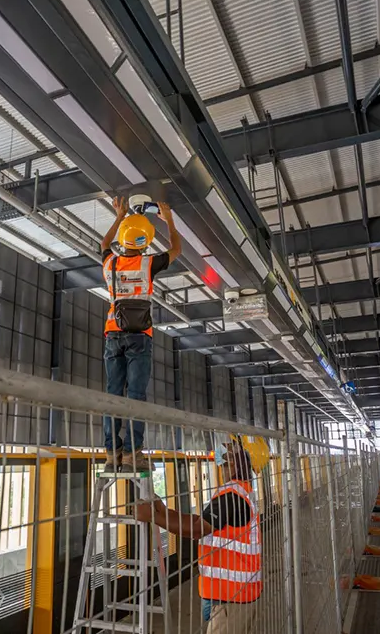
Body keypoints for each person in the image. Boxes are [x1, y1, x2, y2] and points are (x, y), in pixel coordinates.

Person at [133, 439, 262, 633]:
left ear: (234, 461)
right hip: (230, 593)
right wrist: (163, 512)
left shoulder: (232, 495)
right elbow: (199, 520)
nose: (222, 446)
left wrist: (152, 517)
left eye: (228, 445)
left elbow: (197, 529)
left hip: (232, 597)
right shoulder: (240, 490)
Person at [100, 196, 181, 471]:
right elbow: (176, 249)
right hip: (140, 337)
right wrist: (168, 219)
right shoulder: (149, 264)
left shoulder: (109, 263)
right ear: (145, 242)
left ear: (122, 239)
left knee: (113, 393)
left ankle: (112, 453)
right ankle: (133, 454)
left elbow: (103, 245)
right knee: (136, 394)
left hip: (113, 334)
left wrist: (119, 216)